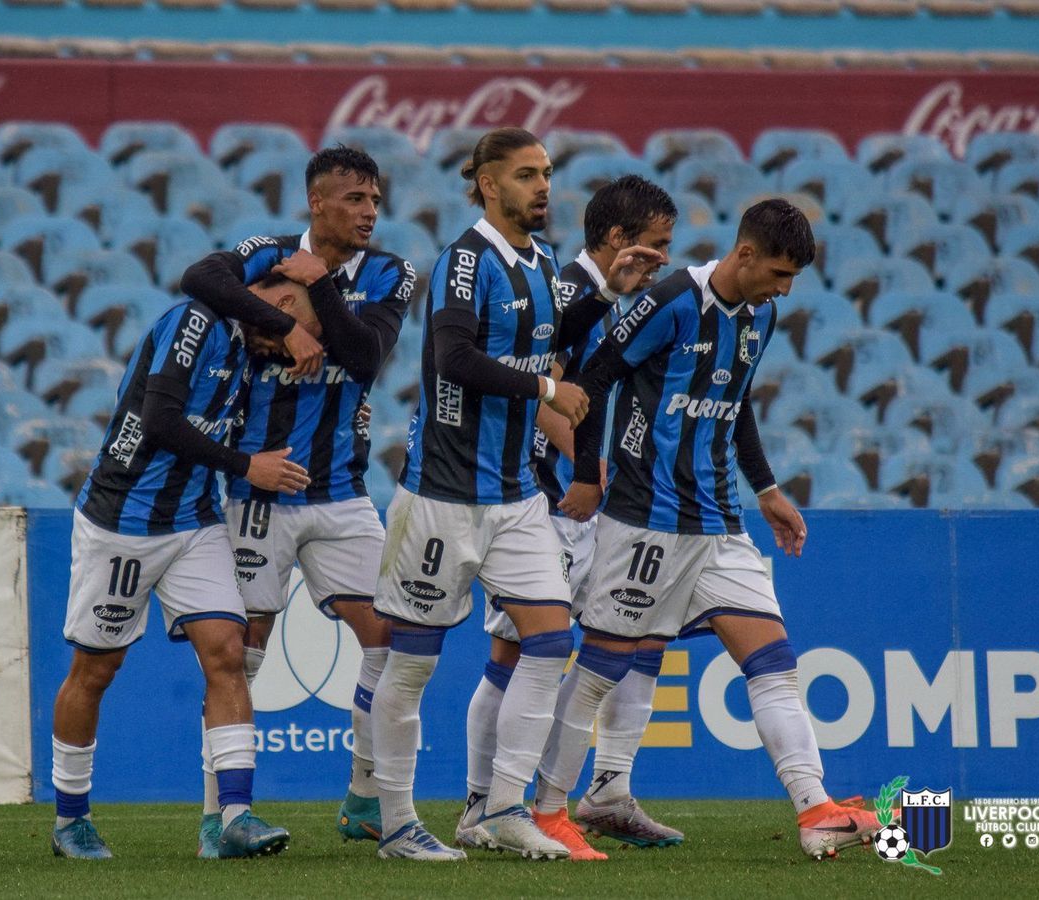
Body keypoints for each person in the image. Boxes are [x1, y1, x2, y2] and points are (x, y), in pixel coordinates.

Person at [547, 198, 883, 861]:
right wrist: (586, 470)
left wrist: (767, 489)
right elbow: (595, 377)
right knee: (604, 665)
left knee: (773, 658)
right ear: (746, 254)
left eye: (792, 280)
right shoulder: (672, 298)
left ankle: (816, 808)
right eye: (779, 274)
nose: (784, 289)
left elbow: (736, 401)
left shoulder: (763, 312)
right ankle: (548, 807)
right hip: (648, 516)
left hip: (718, 518)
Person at [369, 127, 663, 861]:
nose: (543, 187)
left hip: (515, 497)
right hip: (442, 494)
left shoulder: (535, 261)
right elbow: (458, 356)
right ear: (488, 183)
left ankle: (499, 808)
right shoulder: (464, 261)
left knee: (550, 639)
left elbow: (551, 332)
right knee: (411, 664)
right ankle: (398, 823)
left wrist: (604, 287)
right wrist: (547, 390)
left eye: (547, 173)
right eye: (527, 175)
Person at [179, 146, 414, 856]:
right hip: (259, 493)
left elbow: (365, 357)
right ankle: (220, 814)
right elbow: (198, 277)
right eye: (353, 199)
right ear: (317, 203)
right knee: (243, 653)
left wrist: (323, 291)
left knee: (390, 638)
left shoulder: (390, 273)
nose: (369, 211)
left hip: (342, 493)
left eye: (374, 199)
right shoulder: (266, 252)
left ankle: (366, 799)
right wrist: (282, 322)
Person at [50, 277, 310, 860]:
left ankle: (235, 818)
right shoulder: (196, 322)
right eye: (300, 332)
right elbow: (161, 418)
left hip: (194, 521)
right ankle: (70, 819)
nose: (298, 346)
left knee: (227, 651)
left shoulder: (249, 355)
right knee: (95, 671)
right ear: (280, 305)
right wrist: (247, 466)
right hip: (123, 519)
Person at [460, 175, 681, 861]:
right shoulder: (564, 291)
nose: (665, 258)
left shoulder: (621, 299)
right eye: (657, 244)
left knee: (634, 637)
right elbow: (544, 385)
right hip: (550, 500)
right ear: (618, 239)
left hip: (599, 504)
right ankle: (481, 806)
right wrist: (588, 469)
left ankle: (608, 788)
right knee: (519, 651)